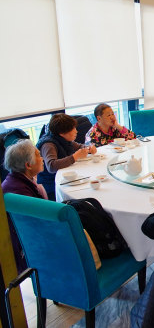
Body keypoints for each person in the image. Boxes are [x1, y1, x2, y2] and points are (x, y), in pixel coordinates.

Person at [2, 139, 48, 272]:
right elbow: (37, 225)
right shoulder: (19, 191)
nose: (42, 158)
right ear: (28, 165)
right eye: (39, 155)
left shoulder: (18, 180)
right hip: (25, 252)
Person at [37, 113, 97, 201]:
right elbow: (51, 166)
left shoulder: (62, 139)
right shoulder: (48, 144)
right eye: (72, 129)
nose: (76, 131)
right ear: (61, 133)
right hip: (52, 186)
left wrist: (89, 149)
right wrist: (74, 157)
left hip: (65, 179)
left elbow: (79, 146)